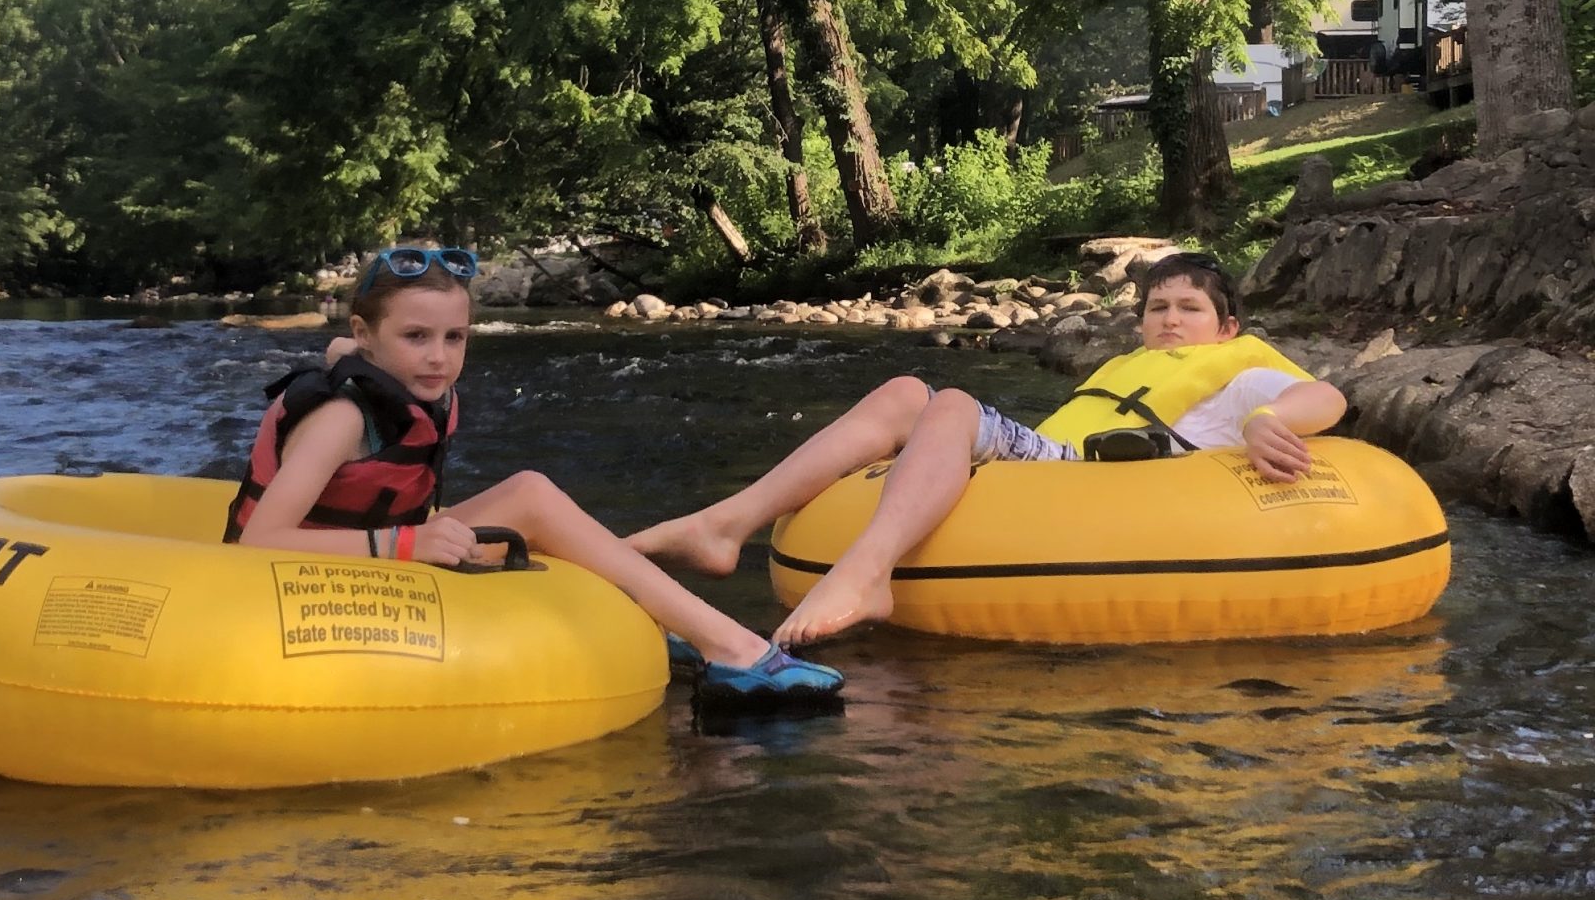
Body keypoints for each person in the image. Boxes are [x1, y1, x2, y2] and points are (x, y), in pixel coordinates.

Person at [227, 244, 843, 708]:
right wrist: (399, 544)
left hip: (376, 552)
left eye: (455, 336)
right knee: (529, 495)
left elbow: (345, 355)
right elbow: (259, 542)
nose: (439, 357)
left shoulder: (411, 385)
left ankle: (672, 623)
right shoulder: (339, 418)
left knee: (531, 494)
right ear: (366, 335)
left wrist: (405, 540)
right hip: (296, 582)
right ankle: (734, 648)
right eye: (415, 337)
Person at [631, 251, 1347, 648]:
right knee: (906, 390)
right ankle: (725, 526)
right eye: (1157, 308)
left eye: (1189, 309)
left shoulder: (1243, 367)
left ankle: (867, 572)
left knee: (950, 406)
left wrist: (1265, 420)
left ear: (1226, 327)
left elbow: (1328, 398)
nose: (1169, 321)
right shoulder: (1124, 367)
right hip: (1053, 467)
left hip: (1113, 479)